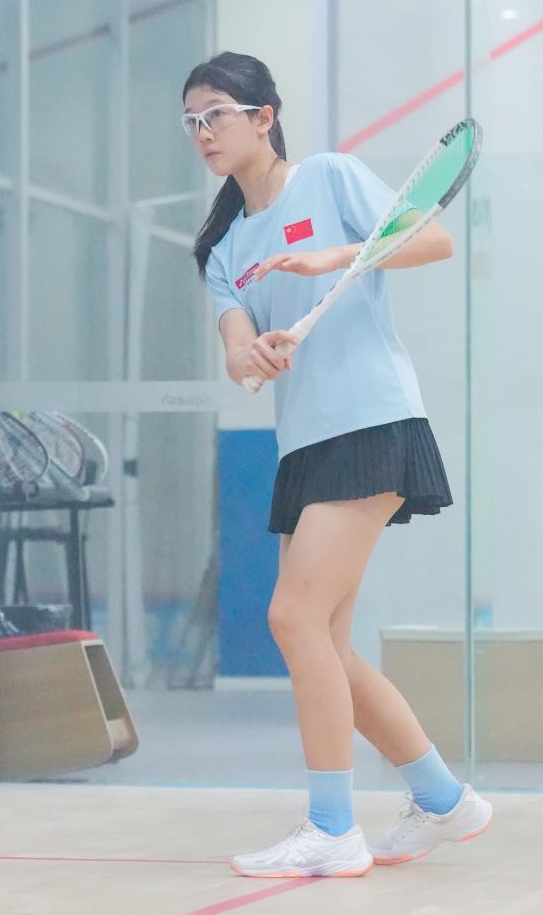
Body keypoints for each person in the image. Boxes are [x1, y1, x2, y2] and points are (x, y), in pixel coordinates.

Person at [183, 51, 492, 878]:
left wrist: (332, 259)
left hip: (371, 419)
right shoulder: (223, 249)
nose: (203, 132)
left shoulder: (328, 177)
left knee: (292, 618)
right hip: (304, 444)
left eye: (217, 115)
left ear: (264, 117)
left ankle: (331, 828)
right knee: (325, 641)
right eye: (193, 121)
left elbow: (432, 241)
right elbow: (237, 353)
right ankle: (444, 799)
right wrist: (256, 356)